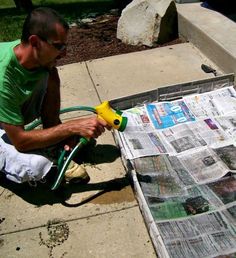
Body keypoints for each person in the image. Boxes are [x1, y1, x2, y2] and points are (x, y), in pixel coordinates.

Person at [0, 7, 109, 186]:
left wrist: (60, 136)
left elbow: (50, 117)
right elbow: (20, 141)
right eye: (59, 46)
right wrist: (70, 128)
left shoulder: (38, 60)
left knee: (50, 72)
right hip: (12, 131)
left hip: (7, 112)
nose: (64, 53)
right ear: (34, 41)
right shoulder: (3, 76)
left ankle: (54, 149)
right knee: (37, 167)